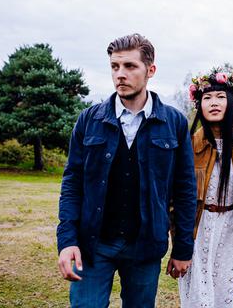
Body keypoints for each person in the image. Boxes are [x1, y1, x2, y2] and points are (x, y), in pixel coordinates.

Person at [56, 33, 197, 307]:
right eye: (114, 66)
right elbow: (72, 184)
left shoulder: (174, 123)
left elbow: (184, 190)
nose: (120, 74)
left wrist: (182, 248)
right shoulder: (89, 120)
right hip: (93, 244)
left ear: (150, 70)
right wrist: (67, 240)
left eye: (130, 66)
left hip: (145, 245)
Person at [168, 67, 233, 308]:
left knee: (223, 300)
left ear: (232, 103)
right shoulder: (187, 145)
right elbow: (173, 199)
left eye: (221, 97)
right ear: (198, 105)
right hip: (196, 233)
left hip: (230, 233)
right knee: (197, 301)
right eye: (207, 98)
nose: (213, 103)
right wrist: (177, 244)